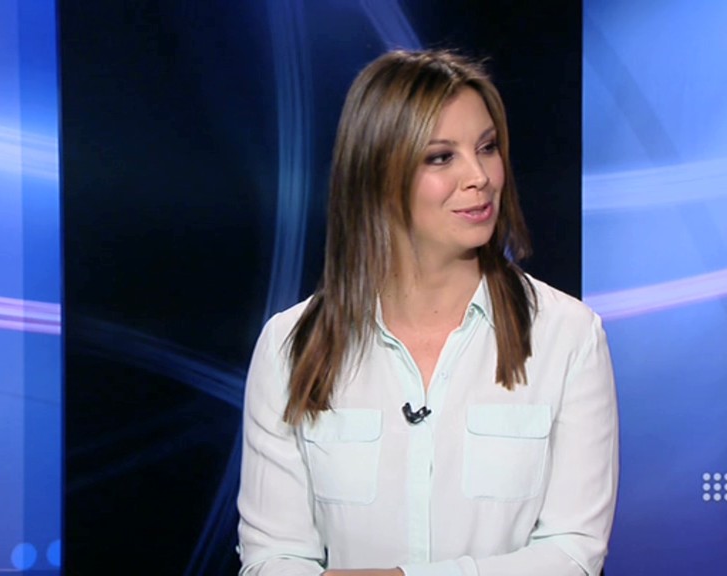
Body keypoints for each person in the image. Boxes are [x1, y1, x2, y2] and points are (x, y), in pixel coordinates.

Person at [236, 49, 618, 576]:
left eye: (487, 148)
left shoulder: (567, 335)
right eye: (441, 158)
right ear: (378, 173)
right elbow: (272, 558)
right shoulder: (291, 345)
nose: (479, 177)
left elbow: (573, 552)